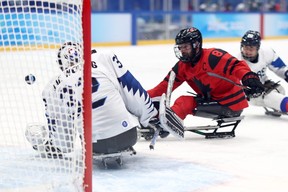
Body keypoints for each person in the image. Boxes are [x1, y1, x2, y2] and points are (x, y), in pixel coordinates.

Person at [25, 42, 158, 158]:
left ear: (61, 63)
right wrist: (148, 117)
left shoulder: (52, 87)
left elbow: (64, 144)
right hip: (128, 136)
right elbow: (133, 92)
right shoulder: (104, 58)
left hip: (93, 145)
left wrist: (47, 146)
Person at [146, 27, 265, 139]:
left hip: (230, 105)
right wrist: (142, 97)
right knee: (178, 102)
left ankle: (163, 126)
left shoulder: (213, 57)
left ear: (196, 46)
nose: (182, 51)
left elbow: (236, 66)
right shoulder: (182, 66)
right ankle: (162, 122)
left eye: (186, 47)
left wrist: (250, 78)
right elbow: (164, 87)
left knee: (184, 102)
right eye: (180, 48)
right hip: (213, 100)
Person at [236, 30, 288, 114]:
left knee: (280, 90)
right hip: (251, 93)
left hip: (265, 84)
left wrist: (286, 73)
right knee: (273, 98)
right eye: (245, 47)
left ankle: (278, 105)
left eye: (251, 48)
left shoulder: (267, 53)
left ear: (258, 48)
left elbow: (280, 68)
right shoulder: (237, 62)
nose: (247, 52)